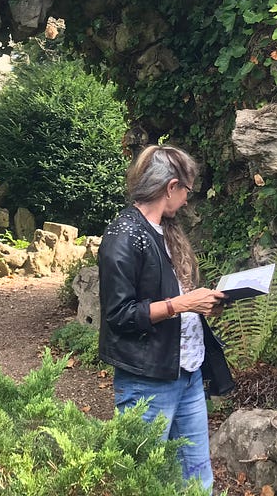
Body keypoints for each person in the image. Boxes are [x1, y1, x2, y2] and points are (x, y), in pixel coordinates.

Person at [98, 145, 234, 494]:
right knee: (142, 482)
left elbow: (175, 298)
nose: (188, 199)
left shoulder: (166, 231)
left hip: (187, 374)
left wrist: (202, 304)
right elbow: (119, 315)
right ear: (170, 187)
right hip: (147, 381)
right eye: (186, 190)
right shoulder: (123, 236)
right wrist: (181, 304)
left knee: (198, 480)